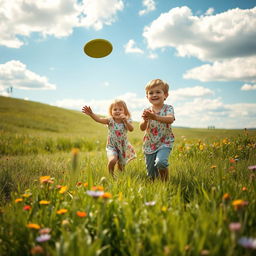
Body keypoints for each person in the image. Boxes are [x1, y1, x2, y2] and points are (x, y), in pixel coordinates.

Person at [82, 99, 136, 176]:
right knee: (112, 160)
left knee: (121, 167)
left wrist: (126, 121)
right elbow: (99, 120)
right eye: (115, 109)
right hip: (112, 145)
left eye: (120, 109)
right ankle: (111, 175)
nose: (117, 111)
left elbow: (131, 129)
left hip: (123, 146)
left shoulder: (127, 120)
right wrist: (91, 114)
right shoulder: (110, 120)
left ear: (125, 111)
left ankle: (121, 176)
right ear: (111, 111)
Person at [140, 79, 175, 181]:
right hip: (150, 143)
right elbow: (142, 128)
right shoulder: (147, 110)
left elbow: (170, 119)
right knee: (151, 175)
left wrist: (154, 117)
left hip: (165, 142)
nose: (154, 95)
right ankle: (155, 184)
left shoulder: (168, 108)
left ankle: (165, 182)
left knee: (161, 162)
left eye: (158, 92)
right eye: (151, 93)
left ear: (165, 95)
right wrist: (145, 121)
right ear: (147, 96)